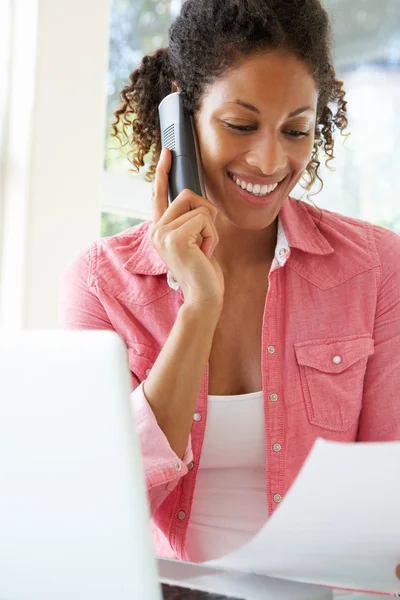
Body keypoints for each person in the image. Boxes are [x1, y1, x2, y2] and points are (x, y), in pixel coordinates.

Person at [60, 0, 400, 575]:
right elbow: (96, 513)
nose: (270, 161)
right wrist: (199, 308)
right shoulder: (102, 286)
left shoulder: (374, 269)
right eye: (240, 125)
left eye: (296, 130)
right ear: (182, 118)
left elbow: (388, 495)